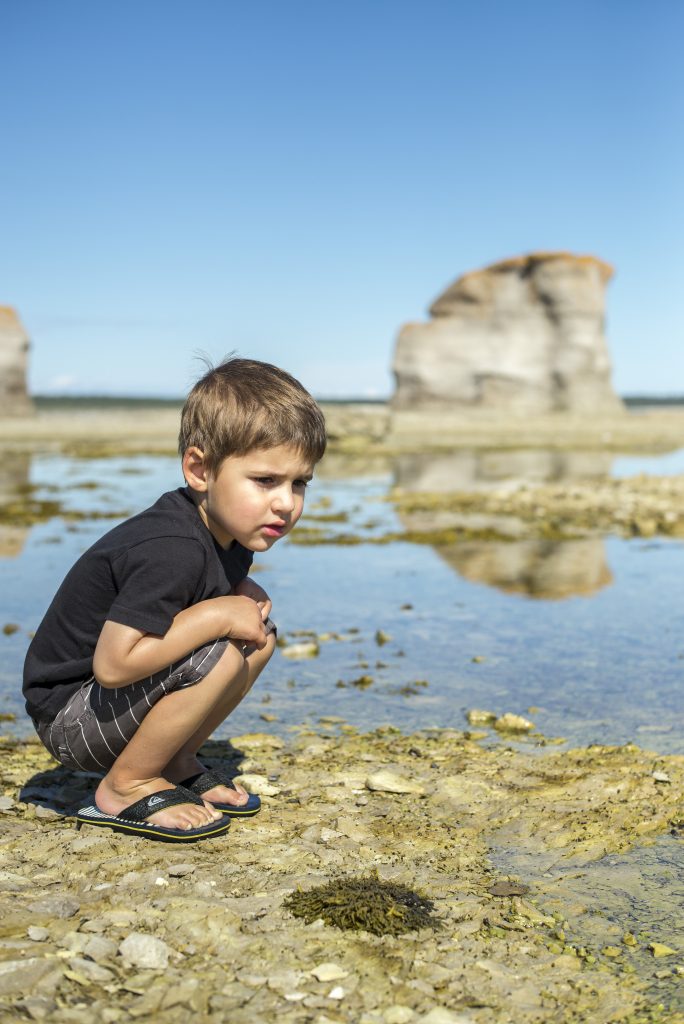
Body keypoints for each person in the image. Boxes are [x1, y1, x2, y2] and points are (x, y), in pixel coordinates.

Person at [23, 358, 327, 842]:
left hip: (105, 711)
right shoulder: (171, 547)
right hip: (71, 718)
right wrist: (215, 613)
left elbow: (186, 610)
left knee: (259, 638)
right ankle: (126, 786)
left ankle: (176, 762)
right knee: (224, 648)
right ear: (199, 469)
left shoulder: (225, 535)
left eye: (300, 483)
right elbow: (114, 666)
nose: (287, 503)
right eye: (265, 481)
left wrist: (235, 597)